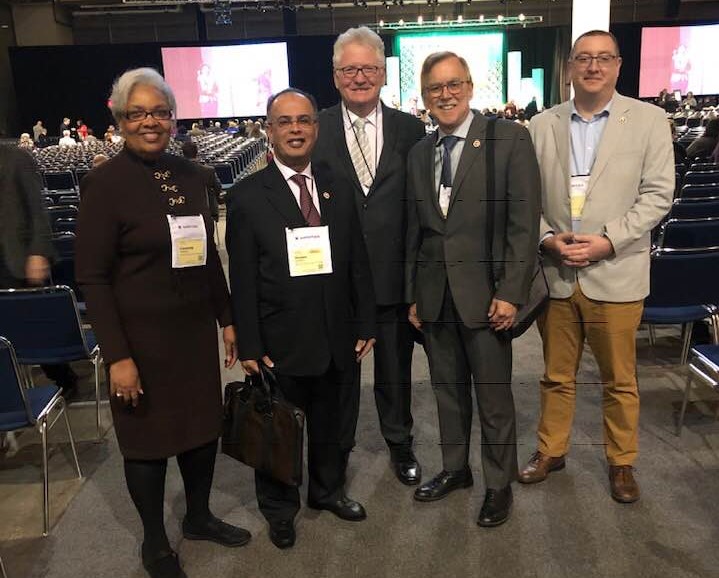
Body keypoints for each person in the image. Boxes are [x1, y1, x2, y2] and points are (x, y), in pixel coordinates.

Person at [75, 68, 250, 578]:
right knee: (147, 443)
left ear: (173, 118)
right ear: (120, 120)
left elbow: (207, 255)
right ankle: (154, 541)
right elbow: (92, 278)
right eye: (137, 113)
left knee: (200, 430)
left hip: (191, 332)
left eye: (159, 112)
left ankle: (198, 517)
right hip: (139, 339)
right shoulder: (104, 184)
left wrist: (227, 316)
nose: (149, 122)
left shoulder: (194, 175)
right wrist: (118, 357)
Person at [521, 30, 674, 504]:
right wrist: (546, 238)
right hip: (558, 273)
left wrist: (609, 240)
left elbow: (658, 195)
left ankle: (621, 461)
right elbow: (526, 199)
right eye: (583, 58)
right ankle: (551, 449)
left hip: (617, 271)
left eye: (603, 58)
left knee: (620, 381)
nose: (593, 66)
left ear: (618, 65)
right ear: (569, 66)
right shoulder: (540, 125)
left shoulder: (649, 120)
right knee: (555, 376)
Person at [226, 88, 376, 550]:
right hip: (280, 338)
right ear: (269, 132)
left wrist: (365, 321)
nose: (296, 129)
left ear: (316, 128)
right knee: (278, 429)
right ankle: (279, 510)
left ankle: (327, 491)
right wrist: (250, 344)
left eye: (304, 120)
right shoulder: (248, 196)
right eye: (285, 121)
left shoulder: (337, 184)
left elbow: (357, 260)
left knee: (332, 423)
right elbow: (243, 277)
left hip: (336, 333)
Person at [405, 51, 540, 527]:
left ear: (469, 86)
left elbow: (524, 223)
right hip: (435, 295)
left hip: (488, 296)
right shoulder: (419, 153)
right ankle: (456, 469)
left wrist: (512, 291)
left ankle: (498, 484)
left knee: (493, 397)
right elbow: (417, 230)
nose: (445, 95)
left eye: (453, 84)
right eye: (435, 88)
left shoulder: (509, 139)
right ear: (424, 97)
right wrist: (414, 294)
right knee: (447, 391)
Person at [312, 26, 427, 486]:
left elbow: (419, 209)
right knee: (339, 377)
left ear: (382, 74)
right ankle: (338, 452)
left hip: (392, 278)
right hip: (336, 282)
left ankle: (400, 443)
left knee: (395, 373)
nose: (359, 77)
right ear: (335, 76)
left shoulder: (410, 129)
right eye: (349, 70)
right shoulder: (315, 127)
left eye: (368, 68)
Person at [0, 145, 78, 395]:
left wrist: (38, 251)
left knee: (35, 328)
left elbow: (37, 209)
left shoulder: (17, 158)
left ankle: (64, 379)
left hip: (18, 258)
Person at [180, 140, 222, 222]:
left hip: (184, 212)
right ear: (197, 152)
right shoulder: (209, 171)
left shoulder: (176, 172)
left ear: (183, 154)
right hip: (207, 211)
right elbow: (218, 188)